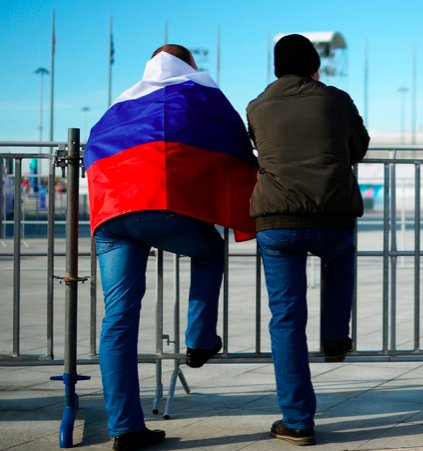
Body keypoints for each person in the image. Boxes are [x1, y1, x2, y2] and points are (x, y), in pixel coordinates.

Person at [85, 44, 257, 450]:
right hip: (160, 209)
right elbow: (233, 147)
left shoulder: (121, 104)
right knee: (209, 251)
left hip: (111, 216)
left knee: (118, 320)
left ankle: (125, 428)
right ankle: (199, 339)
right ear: (190, 66)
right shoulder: (200, 96)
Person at [247, 33, 369, 446]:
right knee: (339, 263)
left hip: (278, 221)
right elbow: (359, 147)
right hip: (333, 213)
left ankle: (297, 421)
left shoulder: (257, 105)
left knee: (286, 318)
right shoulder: (336, 99)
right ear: (315, 67)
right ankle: (335, 337)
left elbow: (260, 148)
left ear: (277, 68)